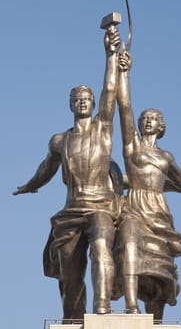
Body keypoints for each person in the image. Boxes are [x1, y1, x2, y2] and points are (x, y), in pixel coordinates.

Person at [13, 26, 122, 321]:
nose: (84, 101)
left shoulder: (104, 128)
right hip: (72, 210)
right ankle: (73, 321)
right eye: (78, 99)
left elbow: (110, 90)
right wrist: (29, 186)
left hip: (101, 205)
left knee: (101, 245)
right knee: (69, 276)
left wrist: (110, 55)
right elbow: (45, 169)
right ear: (70, 105)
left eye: (87, 98)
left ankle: (102, 308)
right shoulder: (59, 141)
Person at [113, 50, 181, 319]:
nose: (147, 119)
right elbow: (124, 105)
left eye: (154, 118)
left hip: (158, 211)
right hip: (133, 205)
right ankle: (130, 306)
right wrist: (124, 72)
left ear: (161, 127)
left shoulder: (166, 157)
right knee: (129, 245)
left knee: (158, 267)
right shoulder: (131, 146)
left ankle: (155, 316)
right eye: (145, 117)